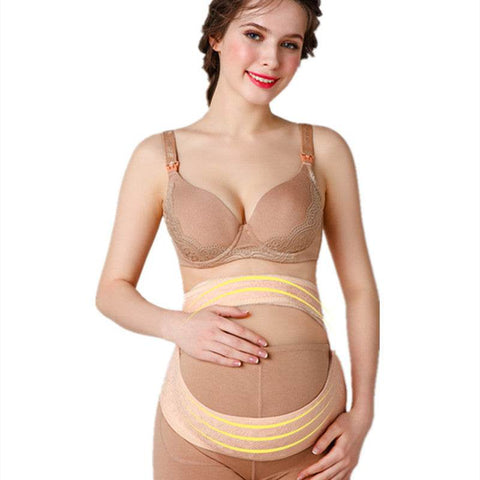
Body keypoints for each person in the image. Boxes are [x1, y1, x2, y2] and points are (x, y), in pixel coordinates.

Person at [95, 0, 380, 478]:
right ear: (216, 37)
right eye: (254, 35)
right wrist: (177, 326)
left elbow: (360, 289)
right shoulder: (158, 156)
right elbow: (111, 290)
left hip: (315, 439)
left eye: (289, 44)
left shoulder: (323, 149)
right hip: (195, 437)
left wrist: (364, 414)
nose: (271, 59)